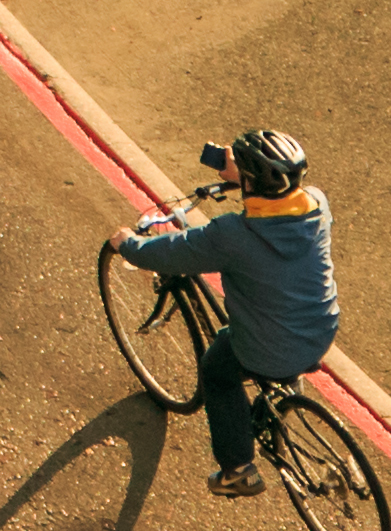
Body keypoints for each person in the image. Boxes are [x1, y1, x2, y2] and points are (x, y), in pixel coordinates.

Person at [107, 128, 337, 498]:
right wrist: (240, 173)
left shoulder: (232, 235)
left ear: (249, 181)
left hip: (270, 347)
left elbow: (171, 252)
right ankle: (288, 387)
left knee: (217, 368)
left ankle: (237, 472)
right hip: (321, 327)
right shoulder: (317, 205)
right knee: (274, 318)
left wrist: (129, 245)